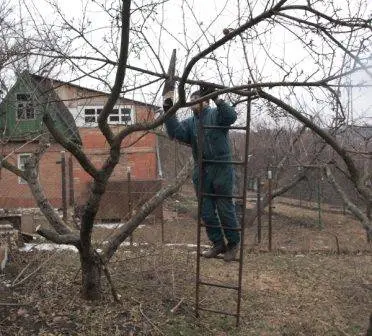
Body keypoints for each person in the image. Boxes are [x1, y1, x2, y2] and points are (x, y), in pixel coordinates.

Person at [163, 87, 240, 262]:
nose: (193, 103)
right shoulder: (191, 123)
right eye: (192, 100)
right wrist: (169, 112)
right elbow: (176, 133)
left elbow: (231, 117)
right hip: (202, 168)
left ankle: (233, 244)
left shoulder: (216, 114)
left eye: (197, 99)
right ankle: (218, 243)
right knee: (206, 210)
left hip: (221, 167)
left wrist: (217, 99)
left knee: (224, 208)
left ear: (205, 101)